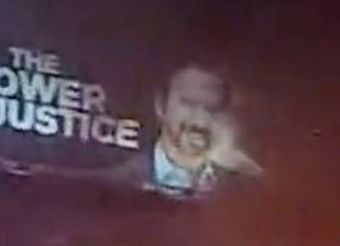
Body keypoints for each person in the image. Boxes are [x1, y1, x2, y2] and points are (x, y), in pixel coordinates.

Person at [104, 64, 260, 197]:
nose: (201, 120)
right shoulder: (117, 183)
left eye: (213, 108)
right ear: (161, 105)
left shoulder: (246, 187)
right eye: (189, 103)